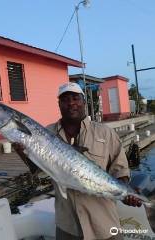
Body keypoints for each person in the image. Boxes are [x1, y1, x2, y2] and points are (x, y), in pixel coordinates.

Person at [46, 82, 142, 240]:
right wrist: (23, 151)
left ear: (84, 102)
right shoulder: (47, 133)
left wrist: (125, 192)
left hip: (104, 225)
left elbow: (121, 170)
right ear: (59, 104)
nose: (71, 103)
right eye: (65, 99)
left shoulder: (105, 133)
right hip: (67, 226)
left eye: (76, 98)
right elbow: (35, 168)